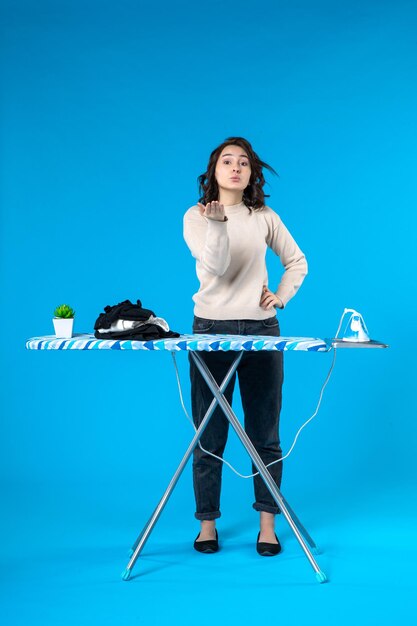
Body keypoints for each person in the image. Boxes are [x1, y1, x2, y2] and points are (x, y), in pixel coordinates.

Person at [183, 136, 308, 556]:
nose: (235, 168)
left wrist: (282, 295)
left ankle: (267, 524)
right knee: (209, 431)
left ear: (252, 173)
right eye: (226, 161)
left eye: (243, 163)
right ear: (213, 171)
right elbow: (215, 267)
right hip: (210, 328)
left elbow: (297, 261)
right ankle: (207, 524)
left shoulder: (264, 217)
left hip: (261, 328)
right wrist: (218, 224)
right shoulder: (197, 216)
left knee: (264, 431)